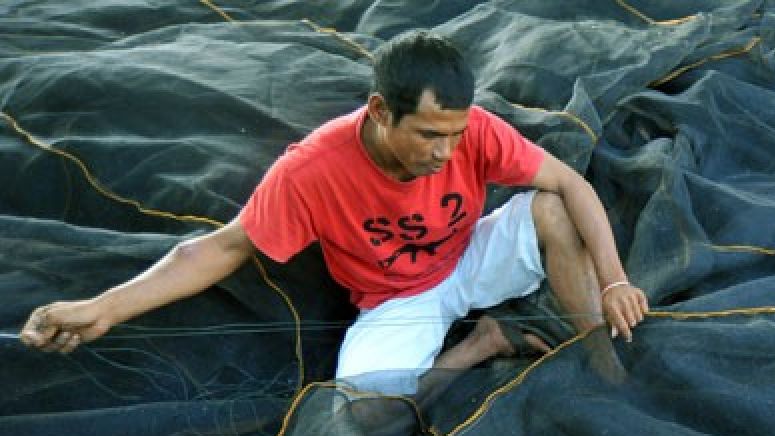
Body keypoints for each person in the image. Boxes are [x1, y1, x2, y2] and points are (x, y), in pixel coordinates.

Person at [19, 30, 647, 411]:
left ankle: (600, 360)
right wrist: (106, 306)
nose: (445, 152)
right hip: (397, 300)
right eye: (429, 135)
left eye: (454, 135)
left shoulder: (473, 129)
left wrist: (614, 279)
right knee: (363, 416)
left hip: (469, 255)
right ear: (379, 111)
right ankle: (485, 343)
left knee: (552, 209)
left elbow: (567, 182)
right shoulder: (312, 170)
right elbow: (219, 249)